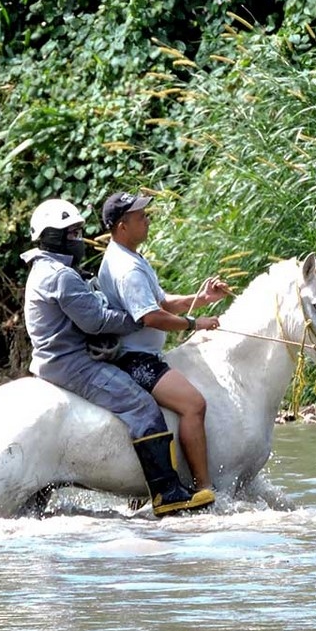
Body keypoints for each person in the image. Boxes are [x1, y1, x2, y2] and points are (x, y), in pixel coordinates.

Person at [21, 198, 213, 517]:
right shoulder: (60, 275)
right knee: (142, 406)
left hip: (61, 357)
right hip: (71, 363)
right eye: (72, 234)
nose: (79, 240)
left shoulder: (51, 269)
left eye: (79, 232)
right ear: (53, 237)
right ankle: (167, 493)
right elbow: (96, 321)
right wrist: (140, 318)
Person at [97, 191, 231, 500]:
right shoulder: (127, 269)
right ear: (122, 226)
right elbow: (151, 317)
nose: (147, 220)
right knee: (194, 404)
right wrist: (195, 323)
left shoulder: (131, 257)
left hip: (145, 355)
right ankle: (203, 488)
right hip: (136, 360)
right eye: (140, 217)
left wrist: (201, 299)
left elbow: (162, 301)